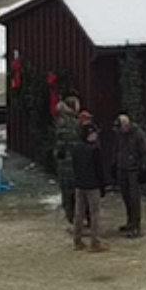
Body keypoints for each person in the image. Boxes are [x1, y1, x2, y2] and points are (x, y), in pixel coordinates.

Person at [111, 112, 146, 238]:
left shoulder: (139, 134)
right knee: (125, 196)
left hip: (134, 170)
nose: (119, 130)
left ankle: (136, 226)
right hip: (121, 168)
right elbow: (116, 149)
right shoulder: (119, 134)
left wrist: (144, 169)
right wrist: (114, 164)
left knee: (134, 198)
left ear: (126, 124)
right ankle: (130, 221)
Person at [70, 123, 109, 252]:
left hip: (80, 184)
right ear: (90, 134)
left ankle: (77, 240)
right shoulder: (95, 149)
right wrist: (103, 186)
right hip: (93, 185)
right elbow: (99, 170)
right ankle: (95, 242)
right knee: (95, 214)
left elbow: (74, 167)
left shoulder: (76, 148)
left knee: (78, 213)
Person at [52, 92, 83, 222]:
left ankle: (71, 216)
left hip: (66, 162)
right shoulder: (70, 122)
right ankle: (72, 217)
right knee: (71, 191)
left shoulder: (64, 121)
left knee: (68, 191)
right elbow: (62, 144)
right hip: (70, 162)